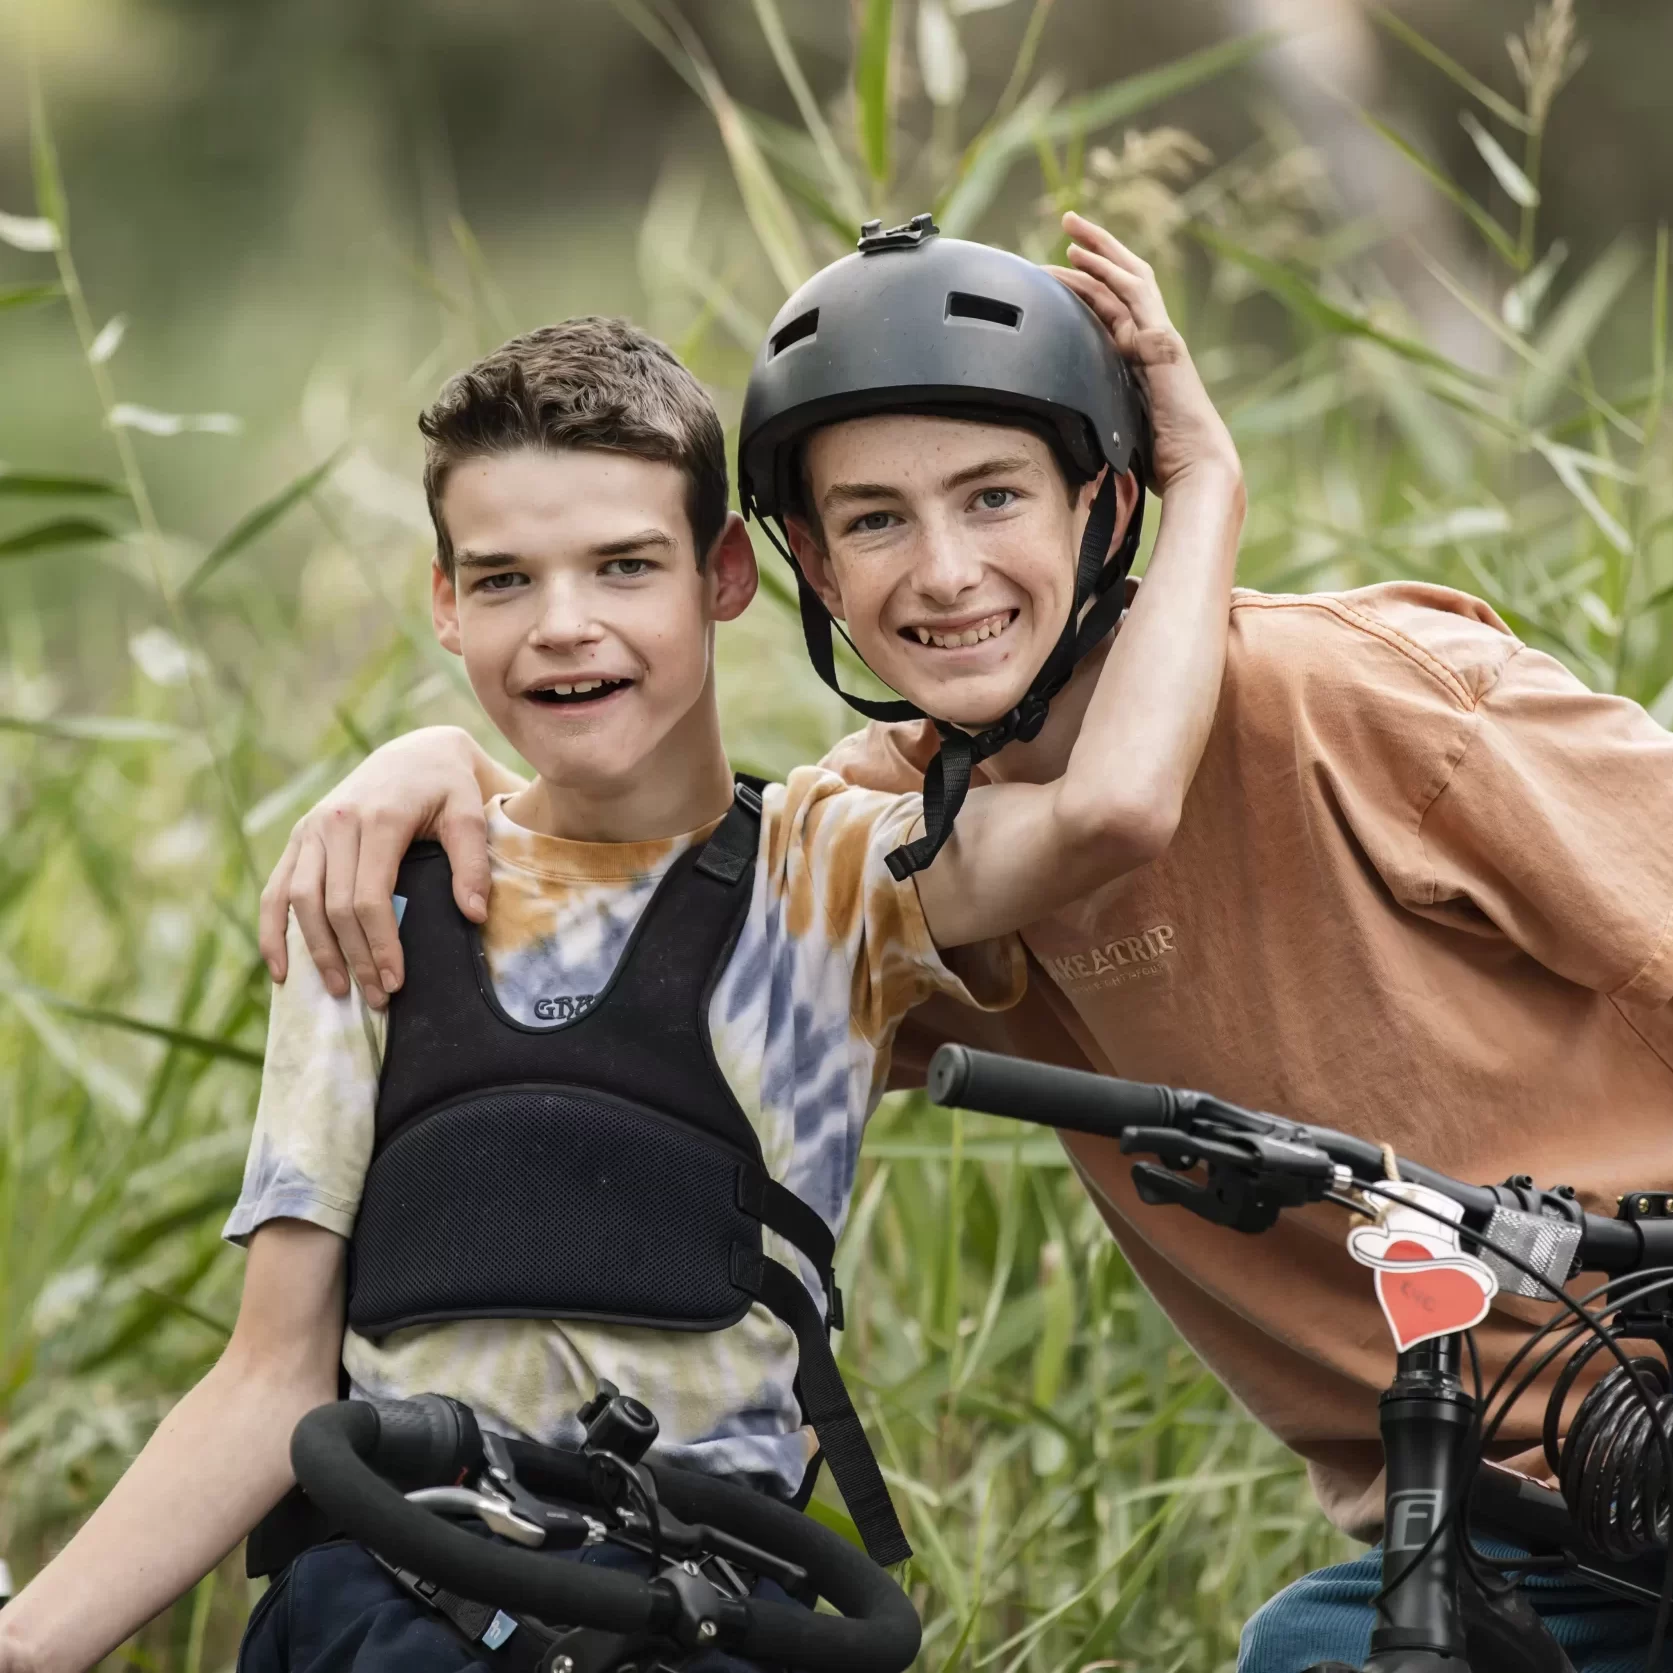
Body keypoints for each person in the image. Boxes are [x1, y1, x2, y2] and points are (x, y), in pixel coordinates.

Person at [262, 210, 1673, 1673]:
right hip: (1495, 1526)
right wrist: (428, 766)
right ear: (798, 560)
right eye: (875, 519)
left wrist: (1211, 483)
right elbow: (638, 890)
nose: (942, 574)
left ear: (1103, 507)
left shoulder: (1354, 698)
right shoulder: (884, 848)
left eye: (996, 497)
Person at [0, 226, 1244, 1673]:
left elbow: (1116, 807)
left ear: (726, 574)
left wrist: (1202, 477)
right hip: (388, 1609)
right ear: (445, 603)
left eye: (624, 564)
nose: (567, 626)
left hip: (689, 1607)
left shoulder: (836, 874)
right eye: (507, 579)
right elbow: (270, 1372)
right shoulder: (379, 896)